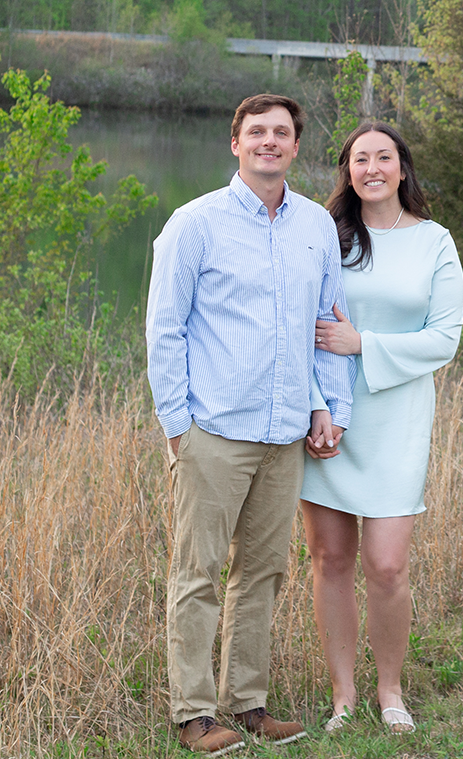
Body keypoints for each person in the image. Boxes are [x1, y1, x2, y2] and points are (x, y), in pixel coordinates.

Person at [145, 94, 354, 754]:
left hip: (285, 433)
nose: (269, 142)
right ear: (235, 143)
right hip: (214, 431)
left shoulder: (316, 226)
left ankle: (249, 704)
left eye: (282, 133)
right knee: (197, 572)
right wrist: (178, 425)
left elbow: (324, 328)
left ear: (296, 147)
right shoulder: (195, 223)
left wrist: (327, 407)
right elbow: (164, 329)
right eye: (256, 132)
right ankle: (193, 714)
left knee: (263, 572)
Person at [300, 121, 463, 735]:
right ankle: (343, 697)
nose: (371, 168)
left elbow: (444, 339)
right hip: (328, 419)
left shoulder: (434, 242)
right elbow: (302, 329)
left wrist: (361, 342)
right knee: (330, 558)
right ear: (347, 170)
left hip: (397, 418)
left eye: (383, 157)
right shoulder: (325, 237)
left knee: (388, 566)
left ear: (402, 168)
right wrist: (316, 408)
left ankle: (390, 690)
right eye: (359, 159)